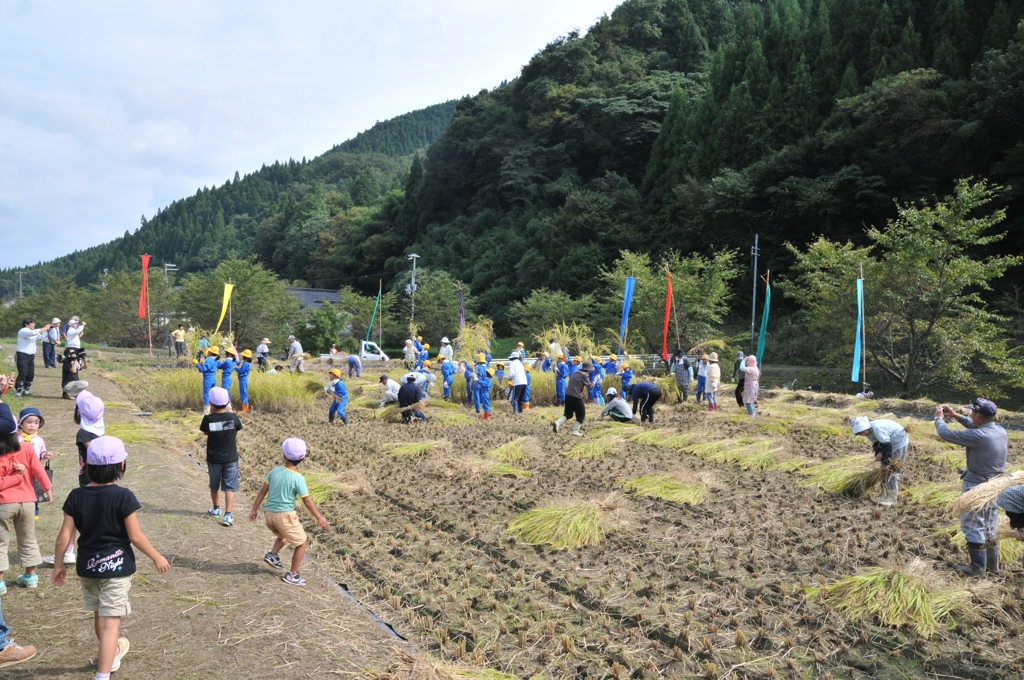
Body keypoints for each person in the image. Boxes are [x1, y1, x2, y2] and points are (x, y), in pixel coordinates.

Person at [53, 435, 171, 676]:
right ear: (122, 466)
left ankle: (112, 654)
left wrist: (58, 565)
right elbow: (135, 536)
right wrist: (157, 557)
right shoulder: (123, 496)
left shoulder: (76, 496)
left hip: (88, 569)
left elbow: (64, 536)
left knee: (100, 618)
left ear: (86, 466)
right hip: (116, 571)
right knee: (109, 625)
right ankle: (103, 673)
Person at [934, 399, 1008, 576]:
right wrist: (956, 416)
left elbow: (946, 434)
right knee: (989, 524)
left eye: (972, 413)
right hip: (995, 485)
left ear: (979, 416)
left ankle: (977, 568)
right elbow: (974, 426)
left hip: (977, 485)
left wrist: (938, 418)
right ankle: (992, 566)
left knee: (973, 524)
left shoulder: (979, 436)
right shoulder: (999, 430)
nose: (970, 416)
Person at [249, 438, 329, 586]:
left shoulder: (274, 471)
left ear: (283, 456)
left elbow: (262, 492)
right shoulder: (298, 479)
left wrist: (254, 510)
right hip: (285, 515)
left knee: (284, 535)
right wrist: (319, 517)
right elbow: (307, 501)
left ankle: (273, 555)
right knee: (302, 542)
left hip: (269, 514)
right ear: (304, 458)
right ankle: (292, 575)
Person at [0, 404, 52, 592]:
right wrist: (48, 489)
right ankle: (30, 576)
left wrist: (15, 477)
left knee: (1, 542)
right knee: (28, 538)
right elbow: (39, 470)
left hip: (4, 503)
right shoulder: (27, 448)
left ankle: (0, 582)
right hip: (28, 502)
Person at [200, 387, 242, 527]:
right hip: (231, 459)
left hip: (213, 459)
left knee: (214, 485)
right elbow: (236, 430)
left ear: (211, 404)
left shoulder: (208, 419)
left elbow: (206, 432)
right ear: (228, 402)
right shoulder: (233, 417)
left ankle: (216, 508)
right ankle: (228, 515)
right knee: (229, 487)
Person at [851, 415, 908, 507]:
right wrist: (878, 453)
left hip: (898, 442)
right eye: (860, 434)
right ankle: (883, 495)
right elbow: (877, 444)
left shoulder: (877, 428)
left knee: (892, 470)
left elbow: (887, 445)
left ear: (866, 427)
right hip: (889, 443)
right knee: (883, 471)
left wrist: (886, 462)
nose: (863, 434)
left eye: (862, 432)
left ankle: (892, 498)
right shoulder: (868, 432)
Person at [18, 408, 53, 521]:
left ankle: (34, 510)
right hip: (20, 468)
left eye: (36, 423)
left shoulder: (39, 440)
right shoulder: (17, 438)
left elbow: (41, 452)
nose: (32, 426)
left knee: (34, 489)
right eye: (29, 422)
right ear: (21, 423)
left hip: (34, 469)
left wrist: (45, 455)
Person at [553, 360, 593, 436]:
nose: (590, 371)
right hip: (575, 396)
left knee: (568, 414)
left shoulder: (576, 372)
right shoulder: (585, 375)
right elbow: (590, 387)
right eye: (590, 370)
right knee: (581, 414)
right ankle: (575, 431)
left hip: (568, 395)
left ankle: (557, 423)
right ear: (588, 369)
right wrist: (595, 380)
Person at [14, 317, 52, 398]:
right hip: (22, 355)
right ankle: (17, 392)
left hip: (31, 356)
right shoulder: (23, 331)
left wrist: (46, 331)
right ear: (26, 324)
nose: (34, 324)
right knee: (23, 373)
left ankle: (26, 390)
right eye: (32, 323)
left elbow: (41, 337)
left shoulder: (33, 332)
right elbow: (34, 332)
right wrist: (45, 327)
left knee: (30, 374)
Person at [75, 391, 105, 487]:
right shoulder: (98, 431)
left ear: (79, 412)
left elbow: (94, 451)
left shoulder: (83, 433)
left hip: (90, 474)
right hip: (98, 473)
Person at [196, 346, 219, 414]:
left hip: (207, 379)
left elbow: (203, 369)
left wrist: (197, 364)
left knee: (206, 395)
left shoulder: (209, 360)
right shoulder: (215, 360)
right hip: (213, 378)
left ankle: (206, 412)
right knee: (212, 395)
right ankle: (214, 410)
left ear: (211, 352)